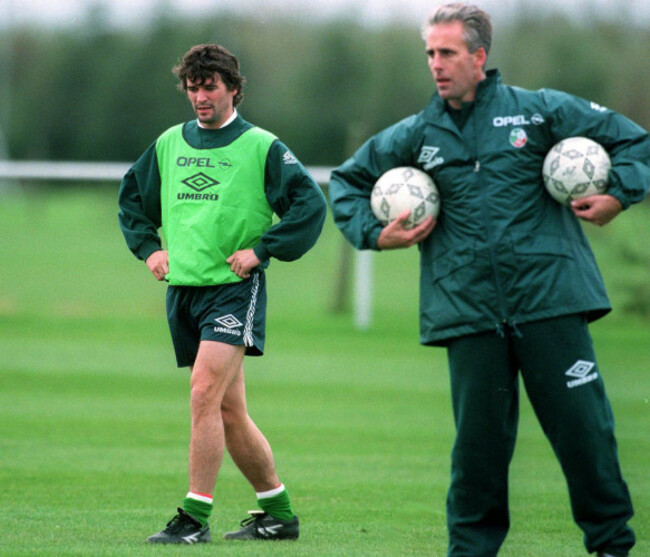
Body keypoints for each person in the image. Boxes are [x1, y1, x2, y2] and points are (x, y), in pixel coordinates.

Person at [329, 4, 649, 556]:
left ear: (479, 56)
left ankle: (612, 547)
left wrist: (618, 193)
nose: (436, 64)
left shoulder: (539, 111)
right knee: (477, 454)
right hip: (468, 312)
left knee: (585, 436)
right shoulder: (416, 134)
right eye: (430, 53)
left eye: (447, 52)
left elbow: (636, 142)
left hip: (552, 301)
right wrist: (376, 234)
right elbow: (348, 182)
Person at [118, 43, 327, 544]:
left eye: (209, 86)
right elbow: (132, 200)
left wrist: (263, 250)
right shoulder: (170, 143)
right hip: (184, 291)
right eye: (192, 88)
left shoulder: (261, 146)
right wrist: (150, 249)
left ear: (233, 88)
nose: (200, 97)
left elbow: (309, 204)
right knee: (228, 411)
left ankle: (194, 519)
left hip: (233, 292)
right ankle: (279, 514)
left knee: (203, 396)